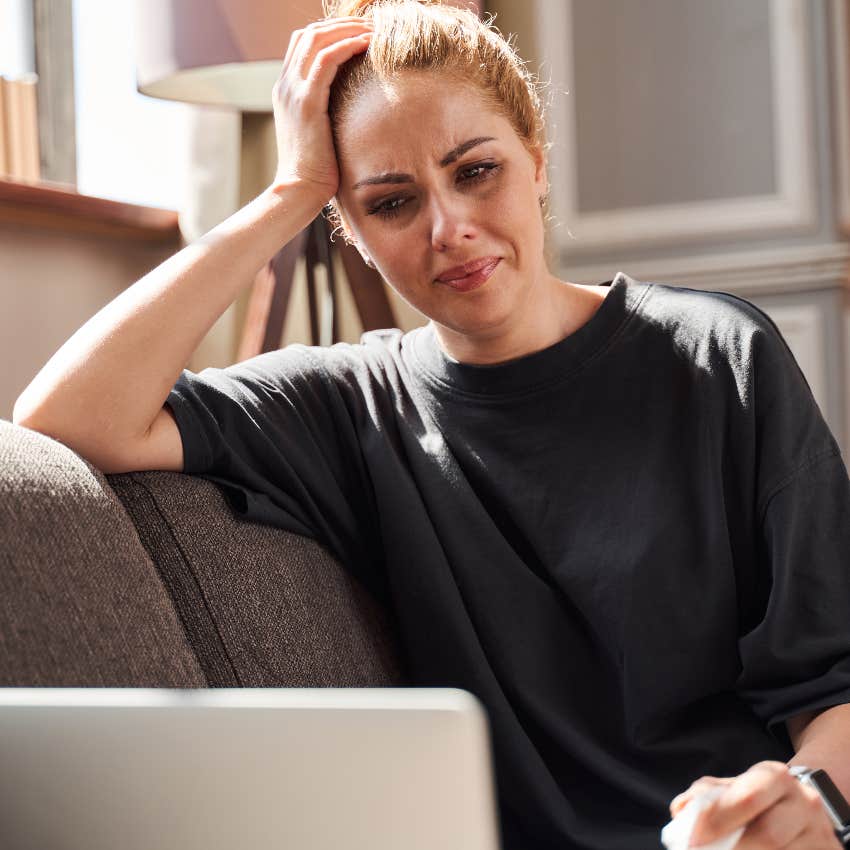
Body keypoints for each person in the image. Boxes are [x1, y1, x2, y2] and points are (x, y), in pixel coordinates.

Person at [13, 0, 850, 847]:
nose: (448, 229)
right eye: (391, 202)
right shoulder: (347, 407)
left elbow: (833, 681)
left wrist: (810, 806)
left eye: (475, 171)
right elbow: (64, 418)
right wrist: (287, 192)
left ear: (537, 160)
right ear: (350, 230)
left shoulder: (719, 357)